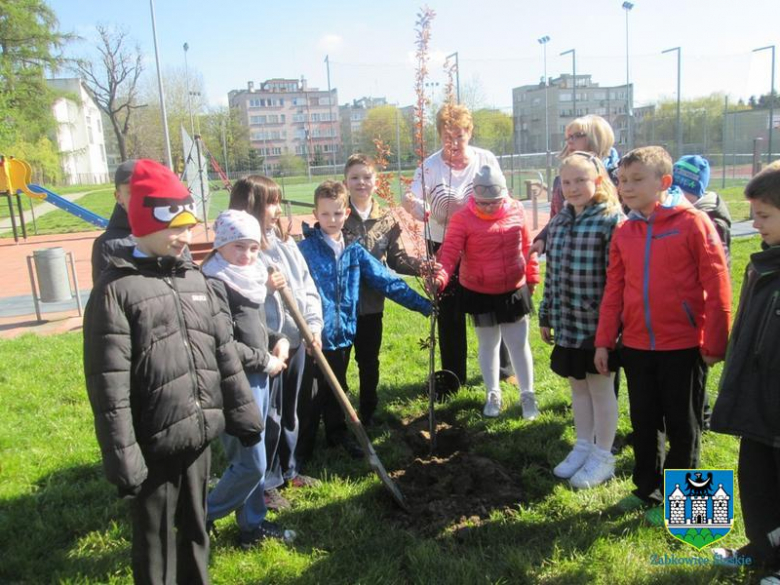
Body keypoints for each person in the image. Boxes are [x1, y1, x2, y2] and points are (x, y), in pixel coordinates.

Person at [83, 159, 263, 584]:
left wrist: (243, 414)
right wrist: (124, 457)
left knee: (195, 529)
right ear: (145, 224)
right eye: (177, 228)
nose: (187, 237)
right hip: (153, 445)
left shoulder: (196, 281)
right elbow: (109, 387)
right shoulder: (116, 292)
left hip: (198, 438)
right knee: (155, 541)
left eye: (189, 226)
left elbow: (222, 352)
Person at [594, 146, 731, 524]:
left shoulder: (693, 224)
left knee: (683, 426)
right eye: (622, 180)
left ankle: (686, 507)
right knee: (644, 421)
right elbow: (615, 290)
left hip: (683, 347)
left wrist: (714, 342)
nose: (627, 187)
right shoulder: (625, 230)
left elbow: (717, 283)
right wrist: (605, 340)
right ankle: (647, 490)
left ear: (664, 182)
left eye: (637, 179)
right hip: (637, 346)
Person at [299, 180, 431, 458]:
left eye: (337, 213)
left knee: (338, 386)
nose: (331, 220)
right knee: (316, 392)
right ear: (315, 214)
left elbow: (386, 281)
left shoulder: (354, 251)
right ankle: (304, 447)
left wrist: (423, 305)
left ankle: (336, 435)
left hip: (344, 331)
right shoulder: (305, 252)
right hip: (315, 335)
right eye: (325, 214)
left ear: (346, 213)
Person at [227, 176, 324, 509]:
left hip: (297, 339)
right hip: (265, 346)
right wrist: (266, 288)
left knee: (292, 411)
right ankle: (265, 482)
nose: (277, 209)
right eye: (271, 202)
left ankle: (289, 469)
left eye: (278, 201)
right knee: (270, 415)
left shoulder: (284, 242)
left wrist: (313, 326)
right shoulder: (239, 249)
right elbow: (235, 300)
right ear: (250, 206)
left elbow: (307, 284)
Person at [201, 209, 294, 549]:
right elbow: (221, 343)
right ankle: (202, 516)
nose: (248, 255)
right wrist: (264, 360)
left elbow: (250, 328)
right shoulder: (214, 283)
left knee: (248, 458)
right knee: (252, 463)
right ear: (221, 245)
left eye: (254, 247)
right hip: (234, 382)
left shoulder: (248, 275)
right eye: (239, 247)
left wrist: (275, 338)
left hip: (258, 376)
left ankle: (252, 524)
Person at [710, 161, 780, 580]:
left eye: (765, 216)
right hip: (757, 403)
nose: (755, 225)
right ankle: (761, 548)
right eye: (752, 215)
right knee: (756, 483)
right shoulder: (762, 266)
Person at [538, 152, 625, 488]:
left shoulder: (610, 221)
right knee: (578, 386)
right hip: (566, 323)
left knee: (600, 388)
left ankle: (603, 454)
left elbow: (617, 280)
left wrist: (611, 329)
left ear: (598, 181)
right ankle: (583, 445)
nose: (572, 188)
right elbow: (552, 273)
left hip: (596, 325)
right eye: (566, 182)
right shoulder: (559, 221)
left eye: (580, 181)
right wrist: (546, 313)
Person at [402, 103, 501, 388]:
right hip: (443, 244)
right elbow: (410, 198)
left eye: (459, 135)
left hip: (481, 244)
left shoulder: (485, 160)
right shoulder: (430, 166)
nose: (454, 142)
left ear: (469, 132)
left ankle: (501, 371)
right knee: (449, 312)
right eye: (448, 136)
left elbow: (501, 197)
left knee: (489, 306)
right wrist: (416, 206)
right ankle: (453, 375)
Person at [432, 164, 541, 420]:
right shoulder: (462, 218)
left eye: (495, 201)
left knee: (518, 344)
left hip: (513, 287)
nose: (490, 207)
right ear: (474, 198)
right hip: (479, 289)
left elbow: (528, 245)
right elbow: (449, 252)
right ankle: (493, 393)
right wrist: (440, 275)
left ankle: (528, 395)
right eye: (483, 202)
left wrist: (532, 276)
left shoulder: (516, 210)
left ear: (504, 195)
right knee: (488, 344)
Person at [343, 153, 422, 425]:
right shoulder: (337, 215)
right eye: (355, 177)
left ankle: (367, 412)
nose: (361, 182)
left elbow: (398, 260)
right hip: (341, 306)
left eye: (367, 177)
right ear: (346, 182)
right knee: (337, 363)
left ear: (376, 182)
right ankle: (339, 417)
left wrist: (423, 266)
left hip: (372, 305)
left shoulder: (387, 219)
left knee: (369, 361)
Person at [671, 154, 733, 430]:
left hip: (696, 313)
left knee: (692, 379)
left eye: (682, 191)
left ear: (696, 192)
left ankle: (701, 420)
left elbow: (717, 274)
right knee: (680, 381)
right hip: (676, 311)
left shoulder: (710, 220)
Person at [531, 115, 616, 256]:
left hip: (595, 258)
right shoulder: (560, 180)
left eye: (577, 136)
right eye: (568, 137)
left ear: (597, 137)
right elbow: (556, 217)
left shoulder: (615, 176)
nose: (570, 141)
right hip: (564, 256)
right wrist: (543, 238)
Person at [90, 160, 135, 283]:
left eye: (145, 190)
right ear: (118, 196)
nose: (140, 197)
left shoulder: (170, 234)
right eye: (132, 192)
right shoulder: (107, 245)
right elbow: (105, 297)